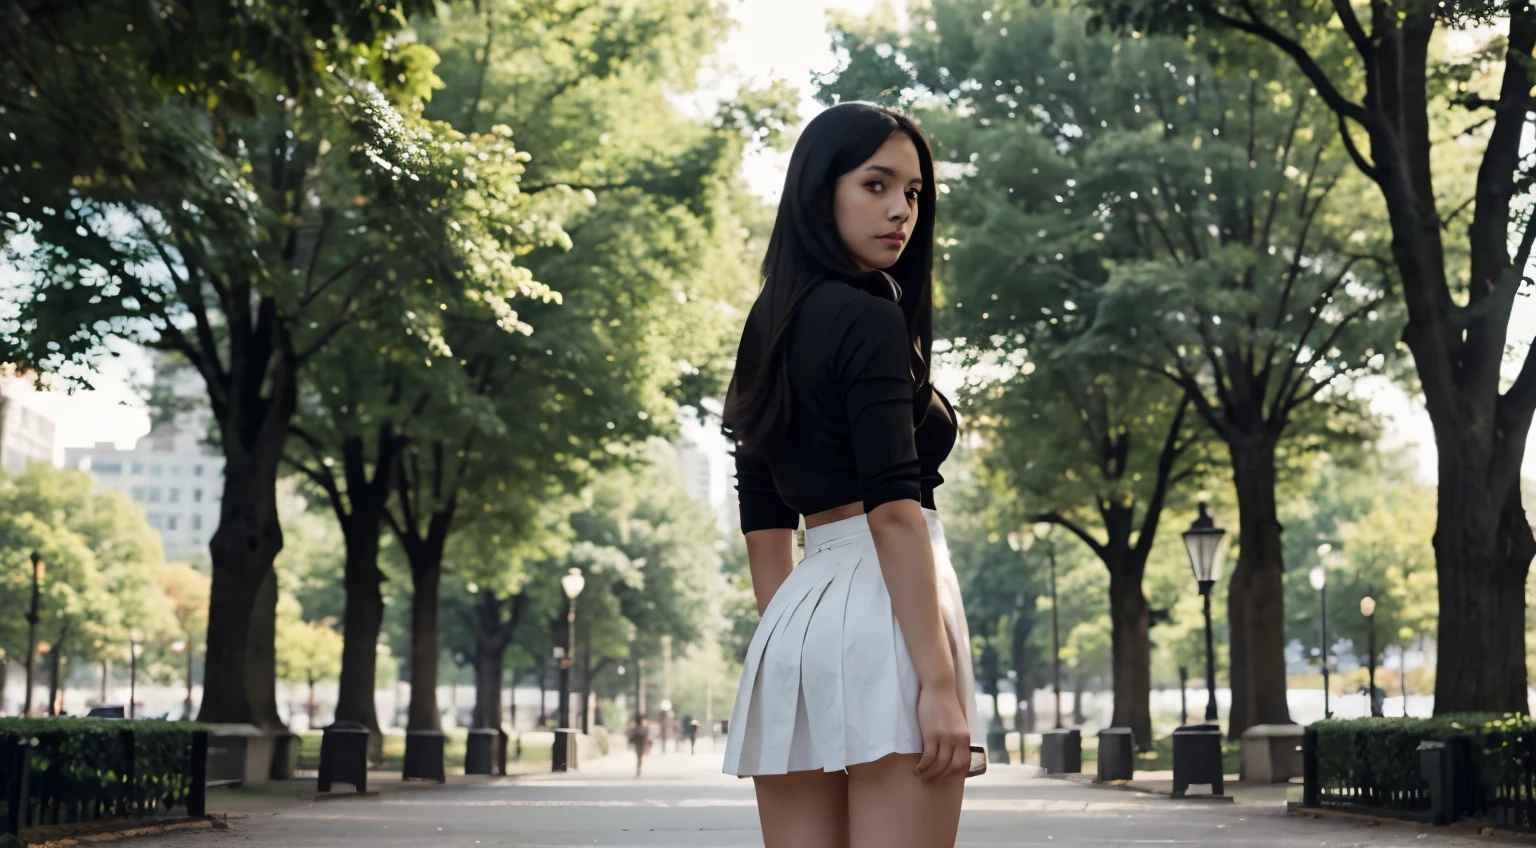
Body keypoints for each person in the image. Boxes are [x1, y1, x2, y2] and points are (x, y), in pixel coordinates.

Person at [719, 101, 980, 848]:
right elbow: (894, 509)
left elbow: (764, 523)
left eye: (914, 193)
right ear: (818, 191)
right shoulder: (870, 316)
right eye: (876, 185)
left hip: (794, 622)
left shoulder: (767, 323)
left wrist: (790, 645)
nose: (901, 209)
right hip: (893, 604)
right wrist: (936, 684)